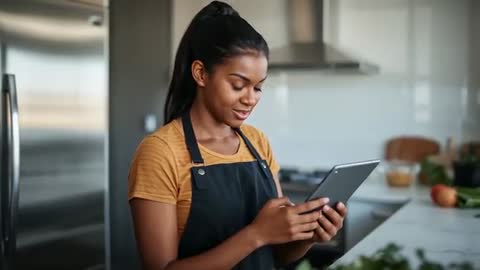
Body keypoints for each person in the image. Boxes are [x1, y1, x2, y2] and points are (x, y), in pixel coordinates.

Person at [128, 1, 347, 269]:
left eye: (258, 88)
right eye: (238, 85)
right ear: (200, 74)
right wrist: (257, 234)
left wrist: (309, 236)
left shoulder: (258, 142)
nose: (250, 99)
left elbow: (278, 254)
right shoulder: (161, 152)